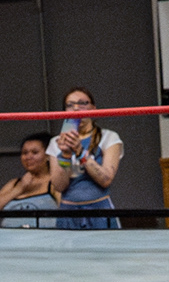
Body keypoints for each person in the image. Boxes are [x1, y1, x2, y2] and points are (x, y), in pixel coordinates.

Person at [48, 87, 123, 229]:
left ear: (93, 108)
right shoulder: (56, 142)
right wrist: (65, 155)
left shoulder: (109, 137)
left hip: (100, 211)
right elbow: (59, 186)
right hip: (68, 213)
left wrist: (80, 152)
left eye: (82, 103)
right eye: (70, 105)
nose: (76, 109)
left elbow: (106, 180)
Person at [0, 134, 58, 216]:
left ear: (48, 155)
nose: (28, 157)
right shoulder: (14, 183)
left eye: (35, 152)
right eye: (25, 153)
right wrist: (19, 189)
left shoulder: (56, 183)